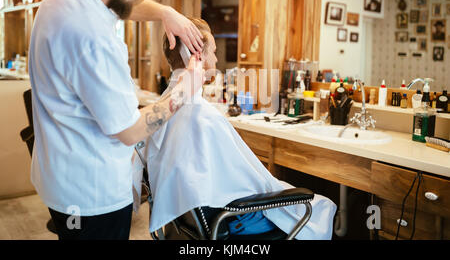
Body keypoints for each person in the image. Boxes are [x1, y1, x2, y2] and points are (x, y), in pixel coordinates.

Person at [28, 0, 204, 240]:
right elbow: (130, 131)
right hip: (91, 196)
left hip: (59, 178)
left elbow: (120, 5)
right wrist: (184, 90)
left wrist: (165, 13)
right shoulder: (94, 39)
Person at [133, 18, 337, 239]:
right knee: (322, 205)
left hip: (187, 223)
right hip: (229, 218)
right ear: (198, 56)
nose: (217, 58)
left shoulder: (161, 110)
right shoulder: (202, 116)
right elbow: (253, 185)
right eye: (214, 51)